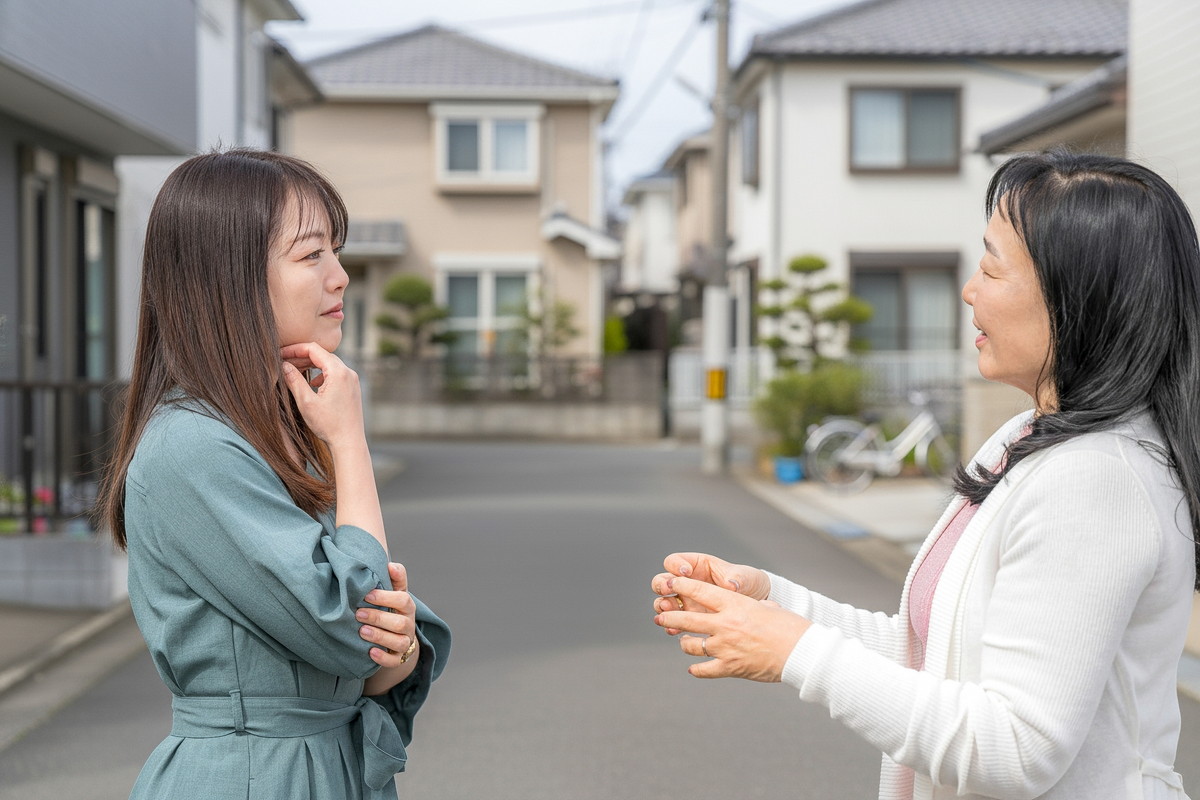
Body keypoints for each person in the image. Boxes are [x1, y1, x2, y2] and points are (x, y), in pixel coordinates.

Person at [652, 150, 1199, 799]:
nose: (970, 289)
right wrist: (771, 604)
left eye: (993, 266)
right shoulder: (1025, 438)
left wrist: (794, 649)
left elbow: (1016, 750)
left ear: (1078, 299)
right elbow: (931, 653)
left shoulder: (1097, 480)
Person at [95, 148, 450, 800]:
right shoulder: (193, 449)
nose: (339, 277)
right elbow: (348, 623)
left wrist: (394, 647)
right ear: (230, 277)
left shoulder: (262, 434)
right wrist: (348, 441)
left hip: (306, 769)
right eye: (312, 255)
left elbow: (360, 649)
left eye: (335, 253)